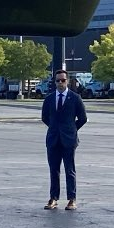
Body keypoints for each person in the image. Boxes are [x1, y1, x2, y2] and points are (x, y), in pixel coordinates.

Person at [40, 69, 89, 209]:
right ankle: (53, 198)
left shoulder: (75, 98)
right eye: (58, 80)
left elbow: (83, 118)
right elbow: (45, 118)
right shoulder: (49, 99)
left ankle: (72, 199)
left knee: (70, 170)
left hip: (69, 140)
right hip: (53, 139)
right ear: (54, 82)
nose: (60, 83)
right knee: (54, 170)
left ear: (67, 81)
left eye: (63, 80)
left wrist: (72, 129)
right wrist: (55, 128)